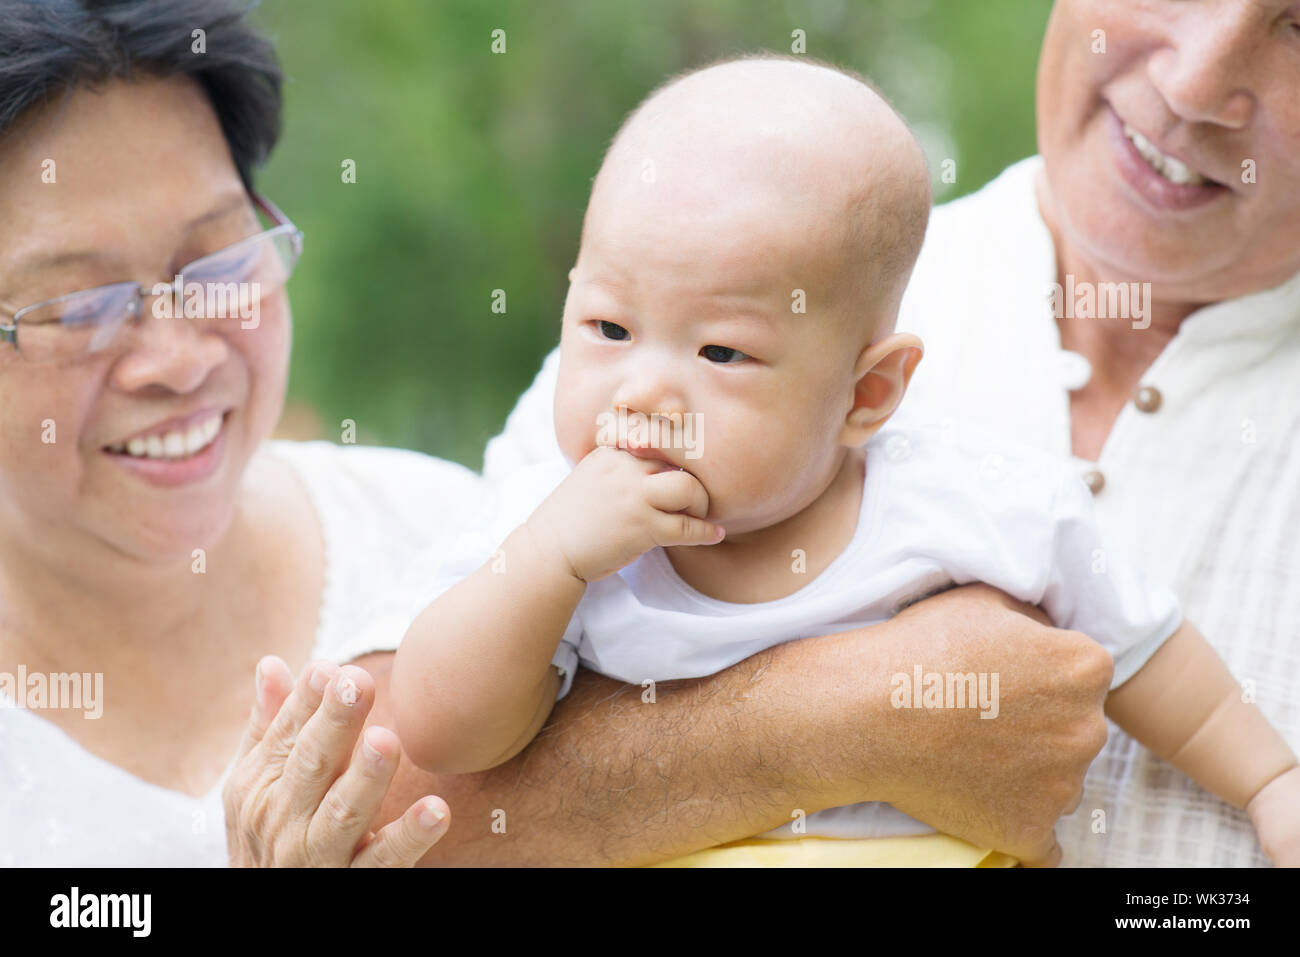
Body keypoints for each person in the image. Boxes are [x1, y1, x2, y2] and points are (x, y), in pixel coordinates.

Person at [0, 0, 1107, 868]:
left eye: (220, 260)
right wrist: (843, 721)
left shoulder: (457, 526)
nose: (181, 354)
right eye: (70, 304)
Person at [227, 0, 1300, 868]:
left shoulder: (964, 493)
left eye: (723, 357)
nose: (641, 388)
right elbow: (424, 752)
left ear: (867, 398)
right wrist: (548, 566)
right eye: (603, 325)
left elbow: (1148, 647)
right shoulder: (564, 505)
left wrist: (1269, 780)